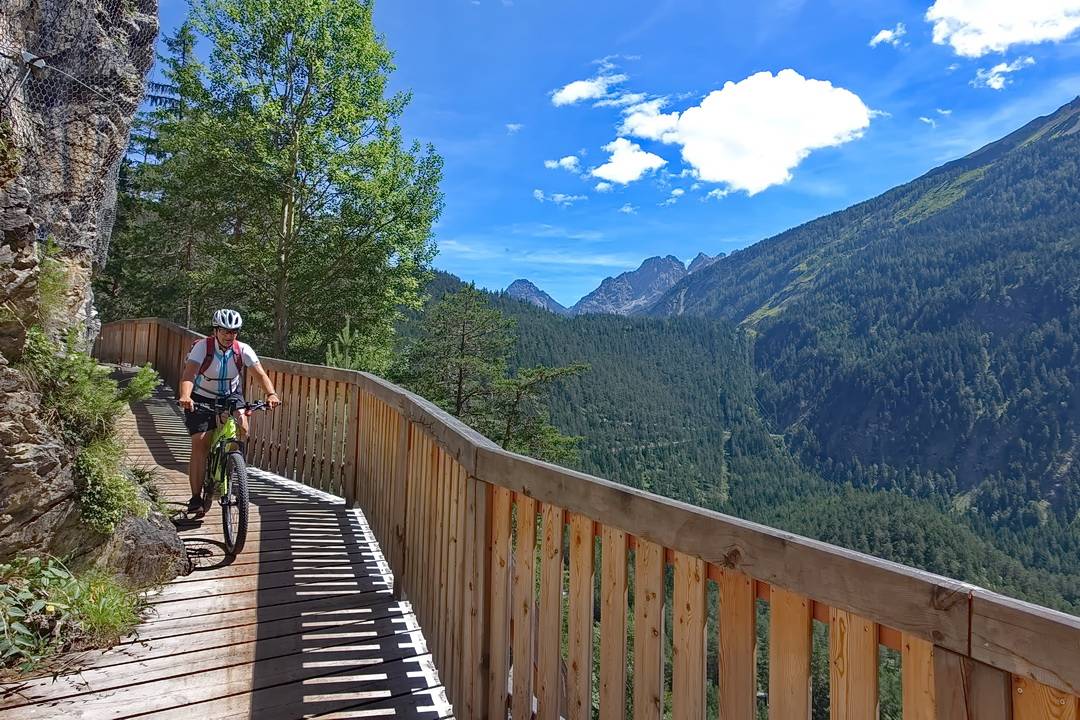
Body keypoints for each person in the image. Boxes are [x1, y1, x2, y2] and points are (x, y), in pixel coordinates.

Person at [177, 309, 280, 515]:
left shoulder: (243, 350)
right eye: (224, 331)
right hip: (201, 396)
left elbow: (260, 375)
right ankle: (196, 497)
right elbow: (189, 375)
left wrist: (271, 394)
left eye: (233, 331)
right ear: (216, 330)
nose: (229, 335)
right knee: (201, 442)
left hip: (231, 394)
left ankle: (233, 466)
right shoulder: (202, 348)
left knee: (242, 427)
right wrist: (186, 396)